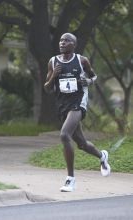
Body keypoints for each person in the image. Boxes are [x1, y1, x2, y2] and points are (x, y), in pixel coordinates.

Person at [44, 33, 111, 192]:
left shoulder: (82, 60)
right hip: (63, 105)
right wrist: (54, 75)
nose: (62, 42)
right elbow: (47, 88)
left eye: (67, 40)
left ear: (74, 44)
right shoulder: (53, 62)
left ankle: (70, 179)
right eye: (61, 40)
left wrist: (87, 81)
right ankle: (102, 156)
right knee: (81, 144)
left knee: (64, 135)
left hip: (78, 102)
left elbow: (93, 76)